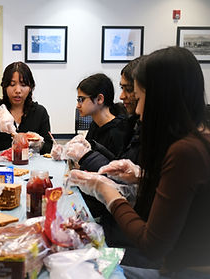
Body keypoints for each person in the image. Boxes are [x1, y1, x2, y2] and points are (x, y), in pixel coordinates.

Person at [70, 47, 210, 278]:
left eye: (140, 96)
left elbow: (152, 244)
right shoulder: (197, 140)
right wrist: (142, 177)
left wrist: (107, 192)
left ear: (160, 99)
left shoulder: (185, 151)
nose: (138, 110)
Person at [0, 61, 53, 154]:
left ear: (30, 87)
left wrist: (37, 143)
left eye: (23, 85)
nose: (17, 90)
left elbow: (48, 146)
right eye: (12, 85)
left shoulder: (40, 112)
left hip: (29, 165)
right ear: (4, 86)